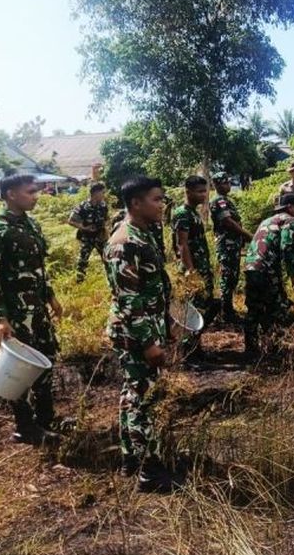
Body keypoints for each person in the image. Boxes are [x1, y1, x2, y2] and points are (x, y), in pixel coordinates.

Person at [0, 174, 64, 445]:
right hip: (15, 315)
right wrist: (0, 318)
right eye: (30, 192)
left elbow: (38, 268)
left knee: (46, 360)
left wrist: (51, 297)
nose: (36, 196)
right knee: (19, 370)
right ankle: (25, 428)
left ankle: (46, 418)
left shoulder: (31, 224)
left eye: (36, 191)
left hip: (37, 311)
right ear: (11, 194)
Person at [104, 176, 175, 492]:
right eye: (156, 199)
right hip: (135, 334)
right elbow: (128, 299)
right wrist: (148, 343)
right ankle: (151, 471)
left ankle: (130, 458)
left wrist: (166, 323)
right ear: (136, 203)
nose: (162, 205)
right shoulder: (124, 242)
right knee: (144, 399)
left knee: (133, 393)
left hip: (145, 327)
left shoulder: (143, 234)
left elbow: (152, 288)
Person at [243, 193, 294, 356]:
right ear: (290, 207)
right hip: (266, 269)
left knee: (254, 308)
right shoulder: (289, 220)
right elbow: (286, 247)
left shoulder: (268, 220)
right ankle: (274, 346)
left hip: (251, 267)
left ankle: (251, 348)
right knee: (277, 307)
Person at [172, 175, 215, 361]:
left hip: (201, 268)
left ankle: (195, 349)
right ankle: (187, 354)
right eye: (199, 191)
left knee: (205, 306)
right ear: (188, 192)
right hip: (192, 270)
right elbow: (182, 244)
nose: (204, 195)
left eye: (205, 191)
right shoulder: (182, 214)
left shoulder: (193, 213)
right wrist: (190, 270)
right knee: (192, 311)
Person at [210, 173, 253, 323]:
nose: (228, 185)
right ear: (217, 185)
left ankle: (228, 309)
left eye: (228, 182)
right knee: (228, 277)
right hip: (226, 245)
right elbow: (228, 222)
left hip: (233, 244)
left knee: (233, 277)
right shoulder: (219, 201)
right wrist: (248, 235)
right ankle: (226, 312)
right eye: (225, 183)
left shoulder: (227, 200)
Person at [68, 182, 110, 283]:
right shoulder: (82, 206)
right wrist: (84, 228)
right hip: (87, 238)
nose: (104, 195)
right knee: (82, 260)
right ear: (95, 193)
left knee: (108, 259)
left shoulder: (103, 205)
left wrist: (106, 231)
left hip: (100, 237)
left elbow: (107, 219)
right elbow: (71, 221)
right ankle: (80, 281)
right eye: (102, 192)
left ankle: (111, 278)